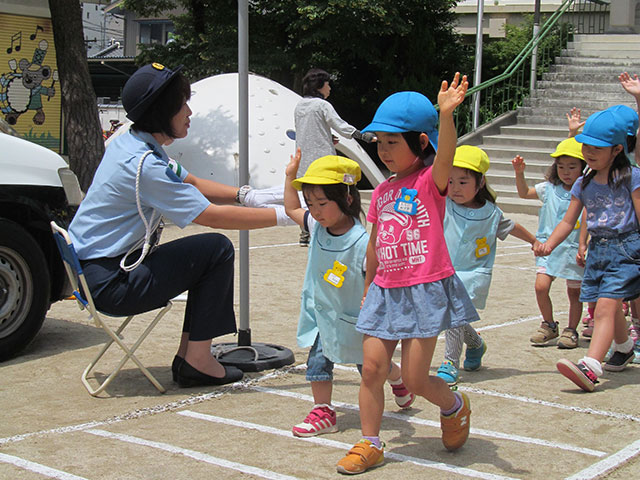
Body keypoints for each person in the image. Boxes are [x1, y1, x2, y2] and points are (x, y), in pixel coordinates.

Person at [68, 63, 294, 389]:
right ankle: (197, 361)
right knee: (214, 249)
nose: (189, 112)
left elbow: (191, 181)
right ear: (161, 113)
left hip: (94, 274)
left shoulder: (133, 144)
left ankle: (192, 356)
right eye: (181, 105)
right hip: (112, 284)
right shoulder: (144, 165)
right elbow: (210, 215)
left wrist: (248, 195)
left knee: (206, 252)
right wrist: (288, 216)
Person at [336, 74, 473, 475]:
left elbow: (447, 156)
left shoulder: (432, 182)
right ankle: (370, 442)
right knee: (373, 369)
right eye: (379, 142)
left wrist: (445, 116)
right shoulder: (380, 192)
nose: (383, 150)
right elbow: (375, 248)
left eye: (392, 142)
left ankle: (453, 406)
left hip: (423, 289)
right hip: (383, 291)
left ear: (421, 143)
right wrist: (367, 290)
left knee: (414, 379)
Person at [283, 153, 415, 438]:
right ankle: (323, 411)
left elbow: (381, 281)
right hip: (321, 316)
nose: (315, 211)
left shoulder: (362, 243)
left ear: (348, 198)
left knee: (368, 365)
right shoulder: (317, 227)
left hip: (354, 319)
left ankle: (397, 377)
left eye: (322, 203)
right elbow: (290, 208)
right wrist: (288, 177)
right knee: (318, 362)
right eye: (311, 204)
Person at [534, 108, 640, 392]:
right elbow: (569, 220)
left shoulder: (632, 177)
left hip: (627, 249)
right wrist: (549, 244)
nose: (589, 152)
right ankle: (624, 347)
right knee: (607, 305)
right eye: (586, 145)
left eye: (597, 147)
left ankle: (591, 366)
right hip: (598, 251)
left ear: (617, 149)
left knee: (607, 304)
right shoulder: (584, 182)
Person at [437, 146, 539, 385]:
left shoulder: (492, 214)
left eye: (463, 181)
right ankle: (475, 343)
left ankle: (450, 362)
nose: (455, 188)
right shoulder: (444, 204)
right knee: (455, 317)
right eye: (450, 182)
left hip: (474, 273)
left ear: (480, 182)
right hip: (445, 271)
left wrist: (535, 241)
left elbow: (512, 227)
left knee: (454, 314)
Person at [512, 137, 587, 348]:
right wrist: (519, 173)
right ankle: (549, 324)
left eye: (572, 166)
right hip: (547, 248)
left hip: (572, 249)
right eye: (561, 166)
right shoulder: (549, 188)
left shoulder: (585, 191)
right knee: (541, 286)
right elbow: (524, 193)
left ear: (583, 167)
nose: (566, 171)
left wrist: (584, 244)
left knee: (574, 292)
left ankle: (571, 330)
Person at [294, 68, 376, 246]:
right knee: (332, 195)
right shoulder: (322, 105)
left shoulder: (300, 105)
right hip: (323, 160)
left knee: (309, 197)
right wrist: (361, 135)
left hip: (304, 161)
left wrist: (326, 135)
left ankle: (305, 231)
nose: (329, 87)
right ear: (320, 85)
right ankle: (339, 229)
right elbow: (339, 124)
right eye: (328, 83)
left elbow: (305, 129)